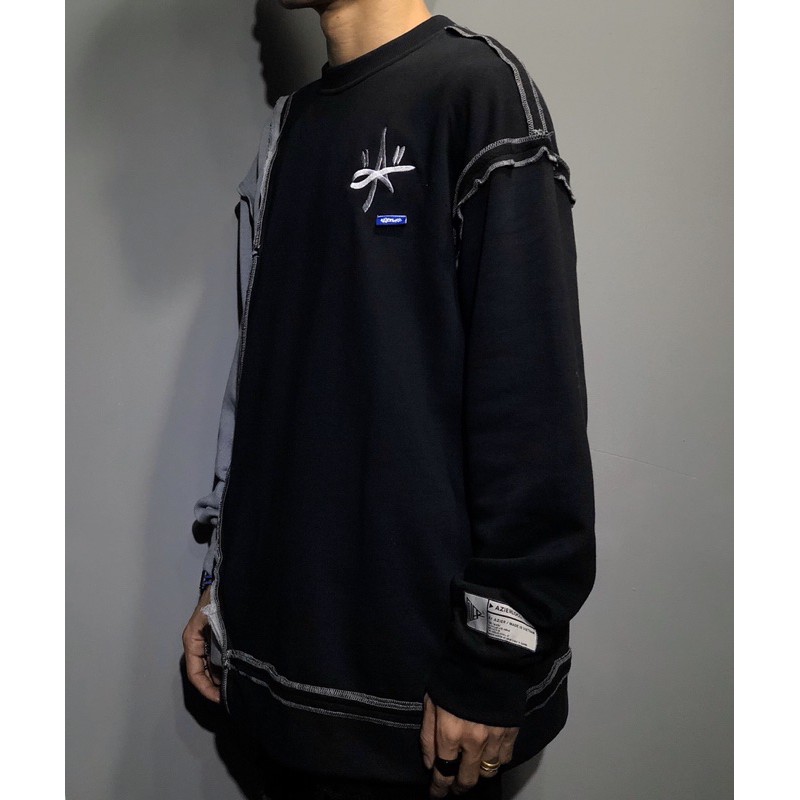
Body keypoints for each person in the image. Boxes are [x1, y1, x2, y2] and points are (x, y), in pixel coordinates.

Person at [182, 1, 596, 798]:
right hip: (275, 677)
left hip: (422, 706)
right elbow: (263, 381)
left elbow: (533, 404)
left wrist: (493, 659)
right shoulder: (289, 129)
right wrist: (221, 584)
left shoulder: (476, 91)